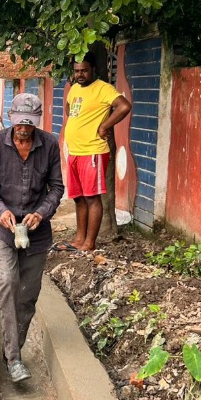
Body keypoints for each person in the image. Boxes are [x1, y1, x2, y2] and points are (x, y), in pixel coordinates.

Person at [0, 93, 64, 383]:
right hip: (4, 229)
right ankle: (14, 359)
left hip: (36, 233)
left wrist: (41, 213)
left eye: (29, 125)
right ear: (11, 119)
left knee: (28, 296)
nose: (24, 130)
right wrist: (1, 210)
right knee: (8, 282)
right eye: (19, 124)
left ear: (37, 123)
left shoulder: (49, 145)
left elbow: (56, 188)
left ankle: (12, 350)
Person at [58, 55, 132, 254]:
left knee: (92, 198)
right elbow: (69, 108)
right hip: (74, 152)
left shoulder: (103, 88)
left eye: (84, 70)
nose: (80, 74)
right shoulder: (74, 89)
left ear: (92, 69)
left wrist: (104, 126)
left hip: (93, 152)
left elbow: (124, 106)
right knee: (78, 198)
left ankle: (90, 243)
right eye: (76, 71)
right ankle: (79, 239)